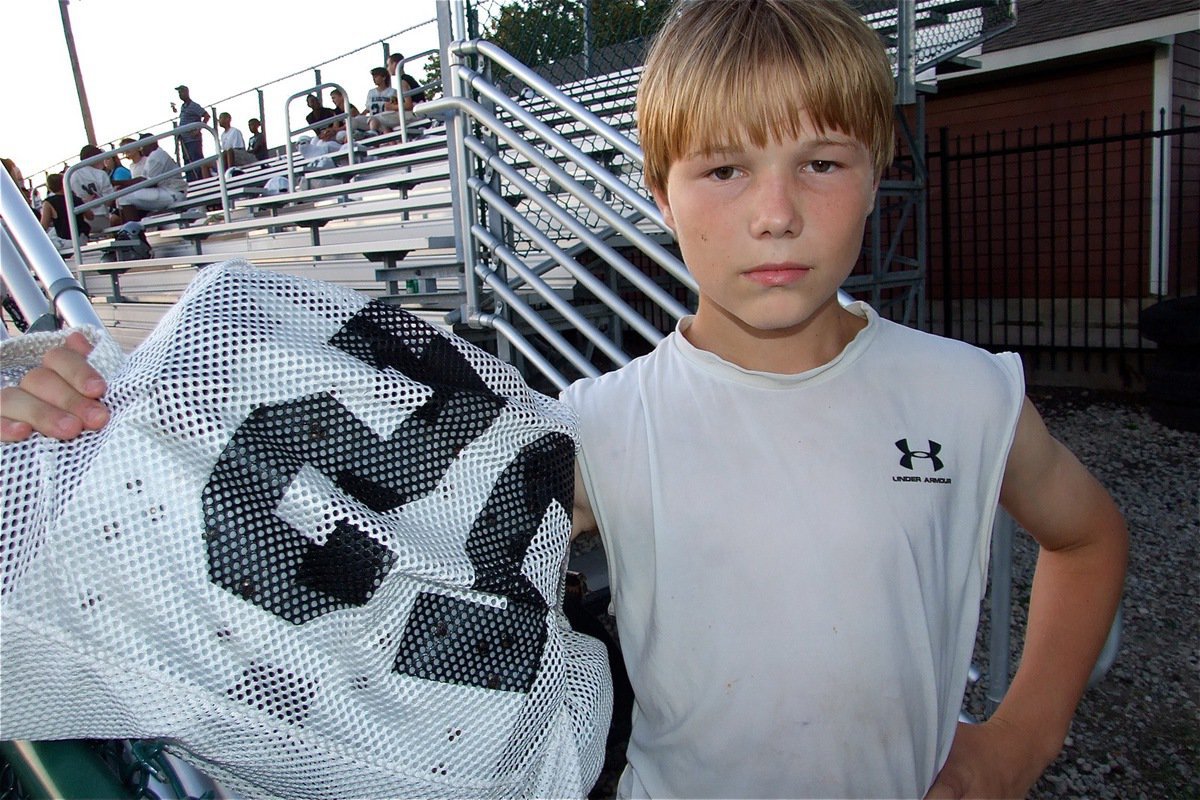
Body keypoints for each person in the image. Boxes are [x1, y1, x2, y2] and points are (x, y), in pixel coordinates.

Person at [1, 2, 1129, 799]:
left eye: (821, 163)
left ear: (879, 164)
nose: (775, 213)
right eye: (725, 170)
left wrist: (1018, 739)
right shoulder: (591, 427)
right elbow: (307, 515)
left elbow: (1089, 535)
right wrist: (80, 418)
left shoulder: (967, 390)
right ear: (661, 189)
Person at [115, 134, 186, 222]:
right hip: (166, 191)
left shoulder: (156, 156)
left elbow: (150, 183)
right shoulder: (153, 156)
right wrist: (121, 185)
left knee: (124, 197)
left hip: (173, 193)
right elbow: (142, 179)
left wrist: (121, 185)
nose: (141, 149)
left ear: (150, 144)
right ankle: (132, 229)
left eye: (142, 146)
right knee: (123, 196)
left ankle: (134, 231)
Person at [68, 144, 120, 230]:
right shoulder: (101, 174)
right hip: (100, 217)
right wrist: (114, 191)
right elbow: (108, 202)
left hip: (78, 219)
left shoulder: (71, 174)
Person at [39, 172, 91, 248]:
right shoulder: (76, 199)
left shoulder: (48, 203)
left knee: (43, 242)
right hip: (81, 238)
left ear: (49, 187)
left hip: (66, 240)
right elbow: (90, 216)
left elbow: (44, 226)